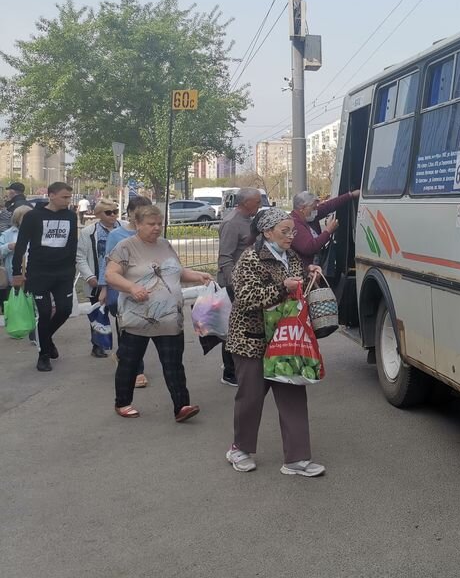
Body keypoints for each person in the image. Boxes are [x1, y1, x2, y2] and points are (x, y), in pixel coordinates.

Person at [225, 208, 325, 476]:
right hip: (252, 340)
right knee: (251, 397)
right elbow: (245, 297)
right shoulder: (250, 258)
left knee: (293, 393)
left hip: (286, 339)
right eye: (285, 231)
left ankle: (297, 459)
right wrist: (283, 288)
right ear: (267, 232)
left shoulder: (289, 256)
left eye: (292, 230)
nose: (292, 236)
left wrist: (309, 274)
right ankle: (240, 449)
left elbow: (298, 284)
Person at [104, 204, 211, 420]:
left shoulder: (164, 245)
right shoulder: (126, 247)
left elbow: (176, 271)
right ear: (138, 224)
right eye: (151, 224)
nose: (156, 228)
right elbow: (111, 275)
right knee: (130, 362)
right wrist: (132, 287)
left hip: (170, 318)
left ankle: (182, 406)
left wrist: (198, 275)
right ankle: (122, 402)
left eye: (159, 224)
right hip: (138, 318)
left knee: (173, 364)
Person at [12, 182, 78, 372]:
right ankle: (44, 355)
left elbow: (72, 244)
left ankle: (46, 339)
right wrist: (17, 273)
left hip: (63, 273)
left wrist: (71, 269)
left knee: (65, 310)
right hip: (39, 273)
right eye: (64, 197)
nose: (68, 201)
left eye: (69, 197)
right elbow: (21, 245)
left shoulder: (71, 217)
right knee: (45, 312)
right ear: (51, 195)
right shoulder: (33, 216)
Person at [215, 187, 262, 386]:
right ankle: (230, 372)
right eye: (257, 202)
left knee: (245, 326)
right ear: (245, 203)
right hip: (233, 284)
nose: (260, 205)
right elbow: (225, 257)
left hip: (247, 283)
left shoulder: (249, 221)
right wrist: (234, 283)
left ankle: (243, 365)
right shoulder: (232, 223)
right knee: (232, 327)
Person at [106, 196, 152, 388]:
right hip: (122, 289)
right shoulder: (116, 235)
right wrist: (104, 288)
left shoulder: (152, 233)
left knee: (142, 328)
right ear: (131, 213)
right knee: (128, 329)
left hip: (146, 289)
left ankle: (122, 356)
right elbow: (108, 264)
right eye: (139, 212)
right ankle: (136, 370)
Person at [76, 197, 124, 358]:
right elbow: (80, 257)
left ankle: (124, 346)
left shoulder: (124, 228)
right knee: (99, 313)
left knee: (122, 313)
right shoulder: (88, 232)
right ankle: (98, 344)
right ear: (98, 214)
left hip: (121, 279)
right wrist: (89, 276)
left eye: (115, 212)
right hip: (97, 279)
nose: (113, 215)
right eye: (108, 212)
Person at [289, 189, 360, 270]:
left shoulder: (308, 216)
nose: (316, 210)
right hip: (304, 271)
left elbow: (329, 206)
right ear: (302, 208)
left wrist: (351, 195)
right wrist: (328, 231)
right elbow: (309, 247)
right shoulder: (294, 224)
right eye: (314, 208)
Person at [0, 205, 33, 325]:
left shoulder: (37, 232)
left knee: (32, 300)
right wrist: (8, 246)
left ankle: (32, 325)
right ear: (17, 218)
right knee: (16, 300)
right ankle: (16, 324)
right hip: (15, 273)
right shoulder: (8, 234)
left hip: (34, 271)